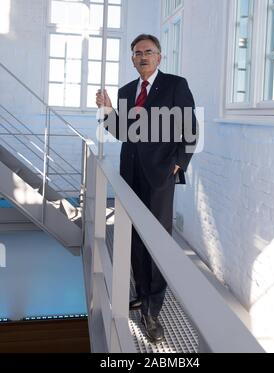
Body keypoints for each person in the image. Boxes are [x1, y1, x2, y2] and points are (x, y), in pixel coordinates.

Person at [96, 34, 197, 343]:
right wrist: (107, 111)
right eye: (137, 53)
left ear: (159, 57)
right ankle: (142, 294)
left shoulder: (175, 85)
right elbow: (121, 132)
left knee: (156, 241)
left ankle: (153, 310)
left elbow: (190, 128)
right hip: (131, 176)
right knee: (134, 240)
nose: (142, 56)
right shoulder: (127, 91)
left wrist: (177, 163)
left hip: (160, 177)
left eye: (148, 52)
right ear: (132, 59)